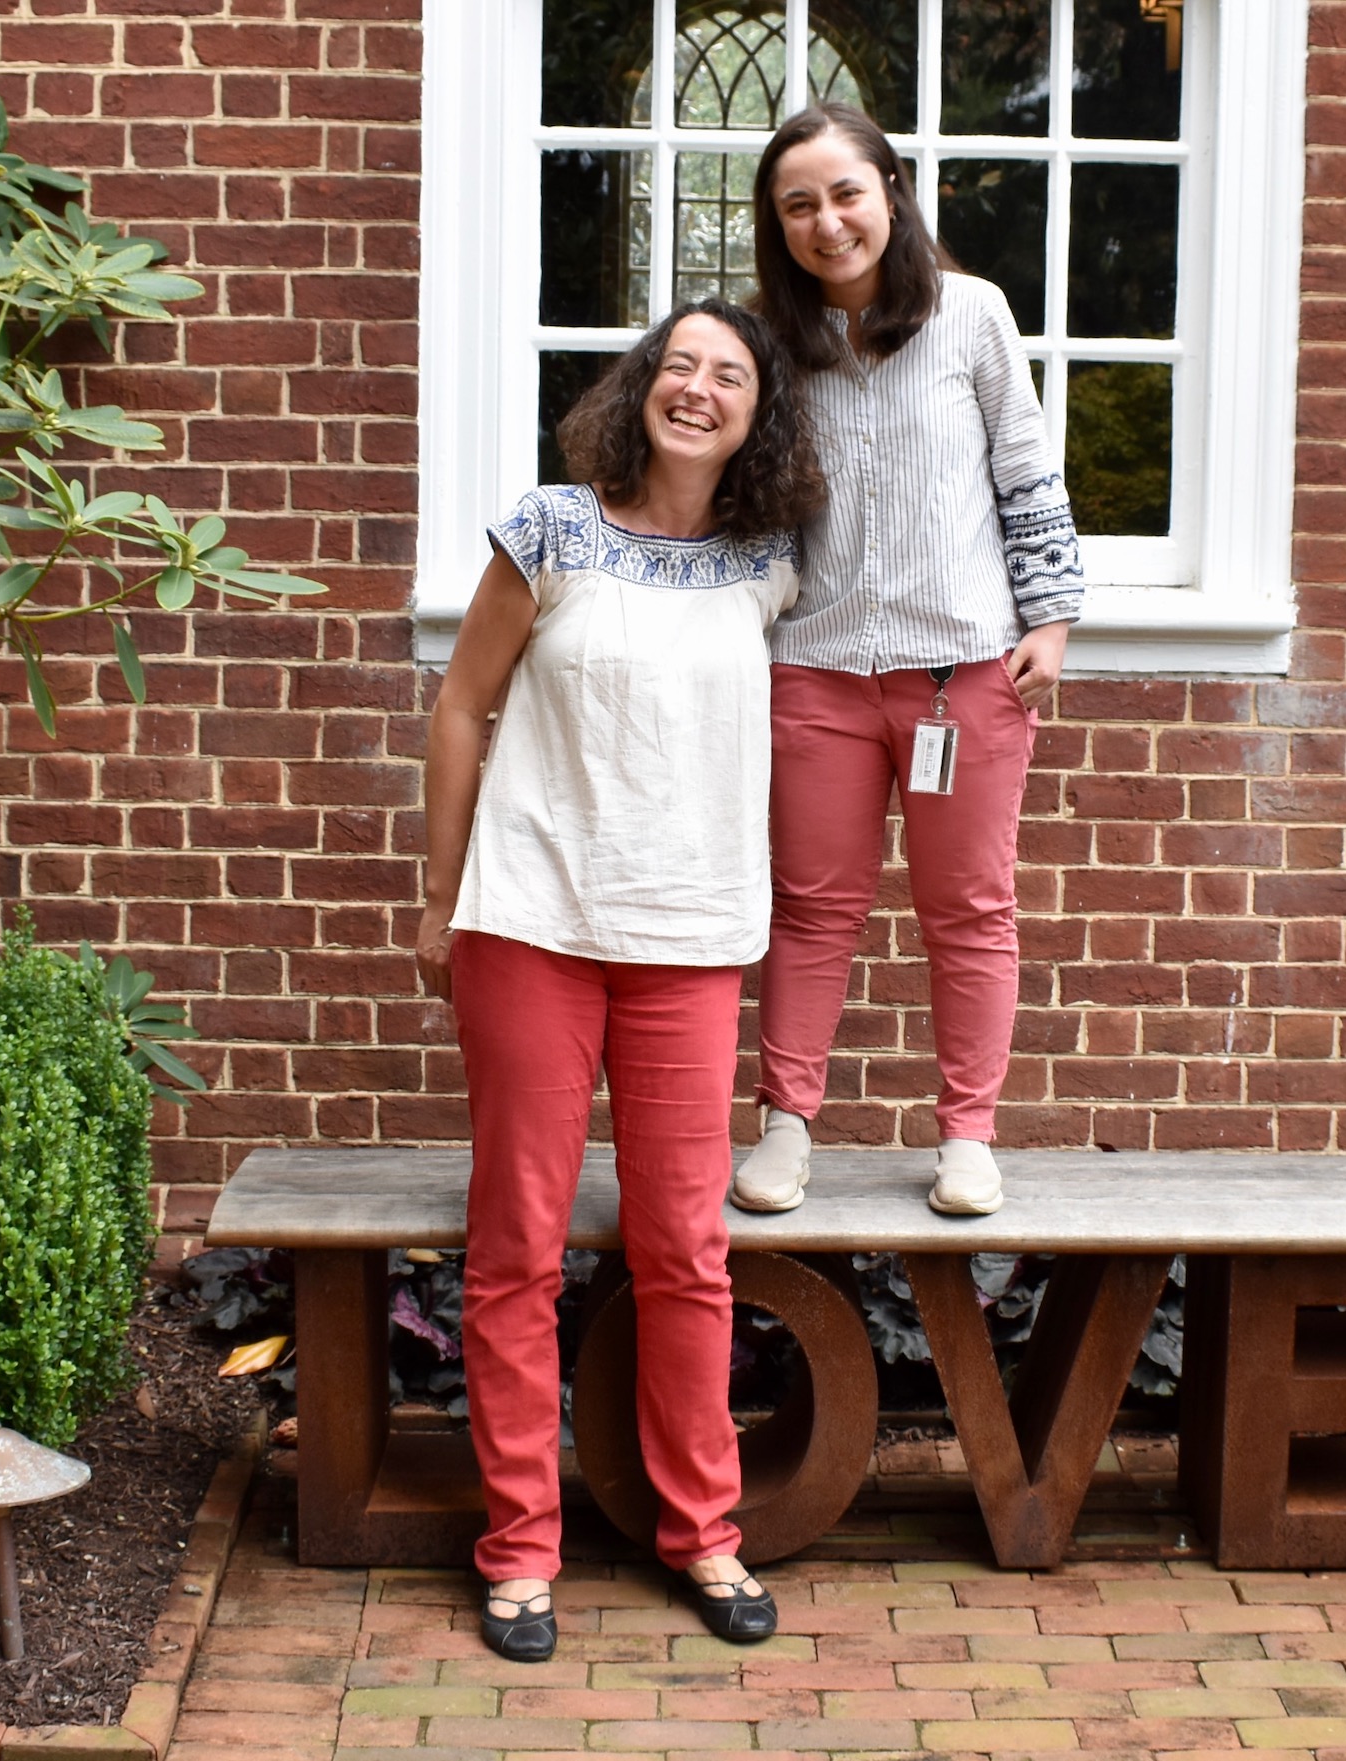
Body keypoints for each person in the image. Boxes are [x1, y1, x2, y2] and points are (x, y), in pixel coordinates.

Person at [414, 299, 824, 1663]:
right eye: (680, 365)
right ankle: (518, 1548)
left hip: (691, 939)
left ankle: (700, 1530)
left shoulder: (770, 563)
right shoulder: (547, 529)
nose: (698, 389)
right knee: (516, 1251)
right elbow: (462, 707)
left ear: (758, 414)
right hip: (529, 920)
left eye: (730, 376)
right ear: (641, 385)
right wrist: (437, 897)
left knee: (683, 1252)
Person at [729, 101, 1085, 1221]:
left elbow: (1026, 475)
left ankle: (967, 1138)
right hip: (816, 673)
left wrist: (1051, 619)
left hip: (966, 675)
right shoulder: (768, 344)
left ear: (888, 190)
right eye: (798, 204)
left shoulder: (972, 315)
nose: (826, 221)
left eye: (844, 192)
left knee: (969, 909)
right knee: (810, 906)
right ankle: (786, 1125)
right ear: (775, 223)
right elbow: (744, 511)